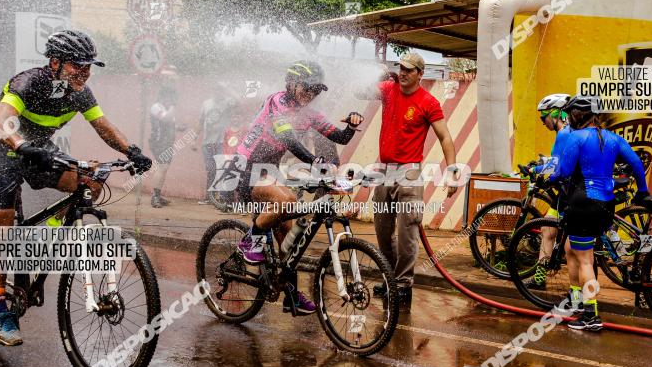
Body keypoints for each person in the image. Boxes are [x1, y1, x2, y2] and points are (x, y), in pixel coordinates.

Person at [0, 30, 152, 346]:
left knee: (92, 181)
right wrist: (20, 144)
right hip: (0, 152)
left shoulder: (81, 93)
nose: (84, 73)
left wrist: (132, 151)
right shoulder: (27, 83)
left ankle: (52, 237)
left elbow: (104, 127)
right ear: (54, 62)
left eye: (88, 67)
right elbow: (0, 120)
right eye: (76, 66)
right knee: (0, 230)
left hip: (38, 153)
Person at [234, 60, 364, 315]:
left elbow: (337, 136)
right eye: (307, 88)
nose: (311, 94)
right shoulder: (277, 101)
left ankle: (290, 296)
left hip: (269, 169)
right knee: (287, 202)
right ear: (292, 84)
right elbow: (287, 138)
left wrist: (351, 124)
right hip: (247, 166)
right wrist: (313, 160)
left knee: (289, 240)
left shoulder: (309, 112)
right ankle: (250, 242)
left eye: (315, 90)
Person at [360, 52, 459, 312]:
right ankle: (390, 278)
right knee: (382, 231)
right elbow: (361, 92)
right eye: (400, 68)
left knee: (407, 233)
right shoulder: (387, 89)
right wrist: (376, 74)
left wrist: (451, 171)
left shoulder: (428, 102)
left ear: (420, 74)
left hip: (410, 173)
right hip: (384, 171)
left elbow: (445, 138)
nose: (402, 73)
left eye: (409, 70)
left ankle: (403, 285)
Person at [547, 96, 648, 331]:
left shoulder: (576, 137)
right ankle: (576, 302)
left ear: (576, 115)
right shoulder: (613, 138)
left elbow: (562, 171)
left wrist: (546, 175)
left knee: (585, 260)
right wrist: (642, 192)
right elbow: (636, 163)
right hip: (605, 204)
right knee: (572, 249)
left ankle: (591, 315)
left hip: (583, 203)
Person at [526, 93, 573, 291]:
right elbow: (558, 161)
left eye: (543, 117)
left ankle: (577, 293)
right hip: (565, 193)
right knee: (547, 230)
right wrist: (543, 164)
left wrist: (535, 170)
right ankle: (539, 276)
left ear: (555, 114)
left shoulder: (564, 134)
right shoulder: (566, 132)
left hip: (571, 193)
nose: (542, 122)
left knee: (572, 248)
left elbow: (558, 167)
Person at [195, 84, 233, 204]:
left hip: (222, 142)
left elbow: (238, 101)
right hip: (207, 142)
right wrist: (194, 139)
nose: (218, 92)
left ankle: (222, 198)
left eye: (220, 89)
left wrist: (230, 89)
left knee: (223, 168)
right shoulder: (206, 103)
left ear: (223, 91)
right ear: (213, 90)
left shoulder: (228, 102)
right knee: (211, 169)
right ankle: (209, 197)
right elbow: (200, 122)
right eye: (216, 89)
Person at [148, 85, 183, 208]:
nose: (171, 99)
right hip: (158, 142)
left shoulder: (167, 108)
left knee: (164, 168)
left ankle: (157, 194)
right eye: (169, 96)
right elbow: (165, 119)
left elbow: (171, 124)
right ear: (163, 96)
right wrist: (173, 106)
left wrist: (179, 127)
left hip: (167, 143)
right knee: (162, 167)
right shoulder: (156, 106)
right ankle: (155, 197)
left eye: (172, 97)